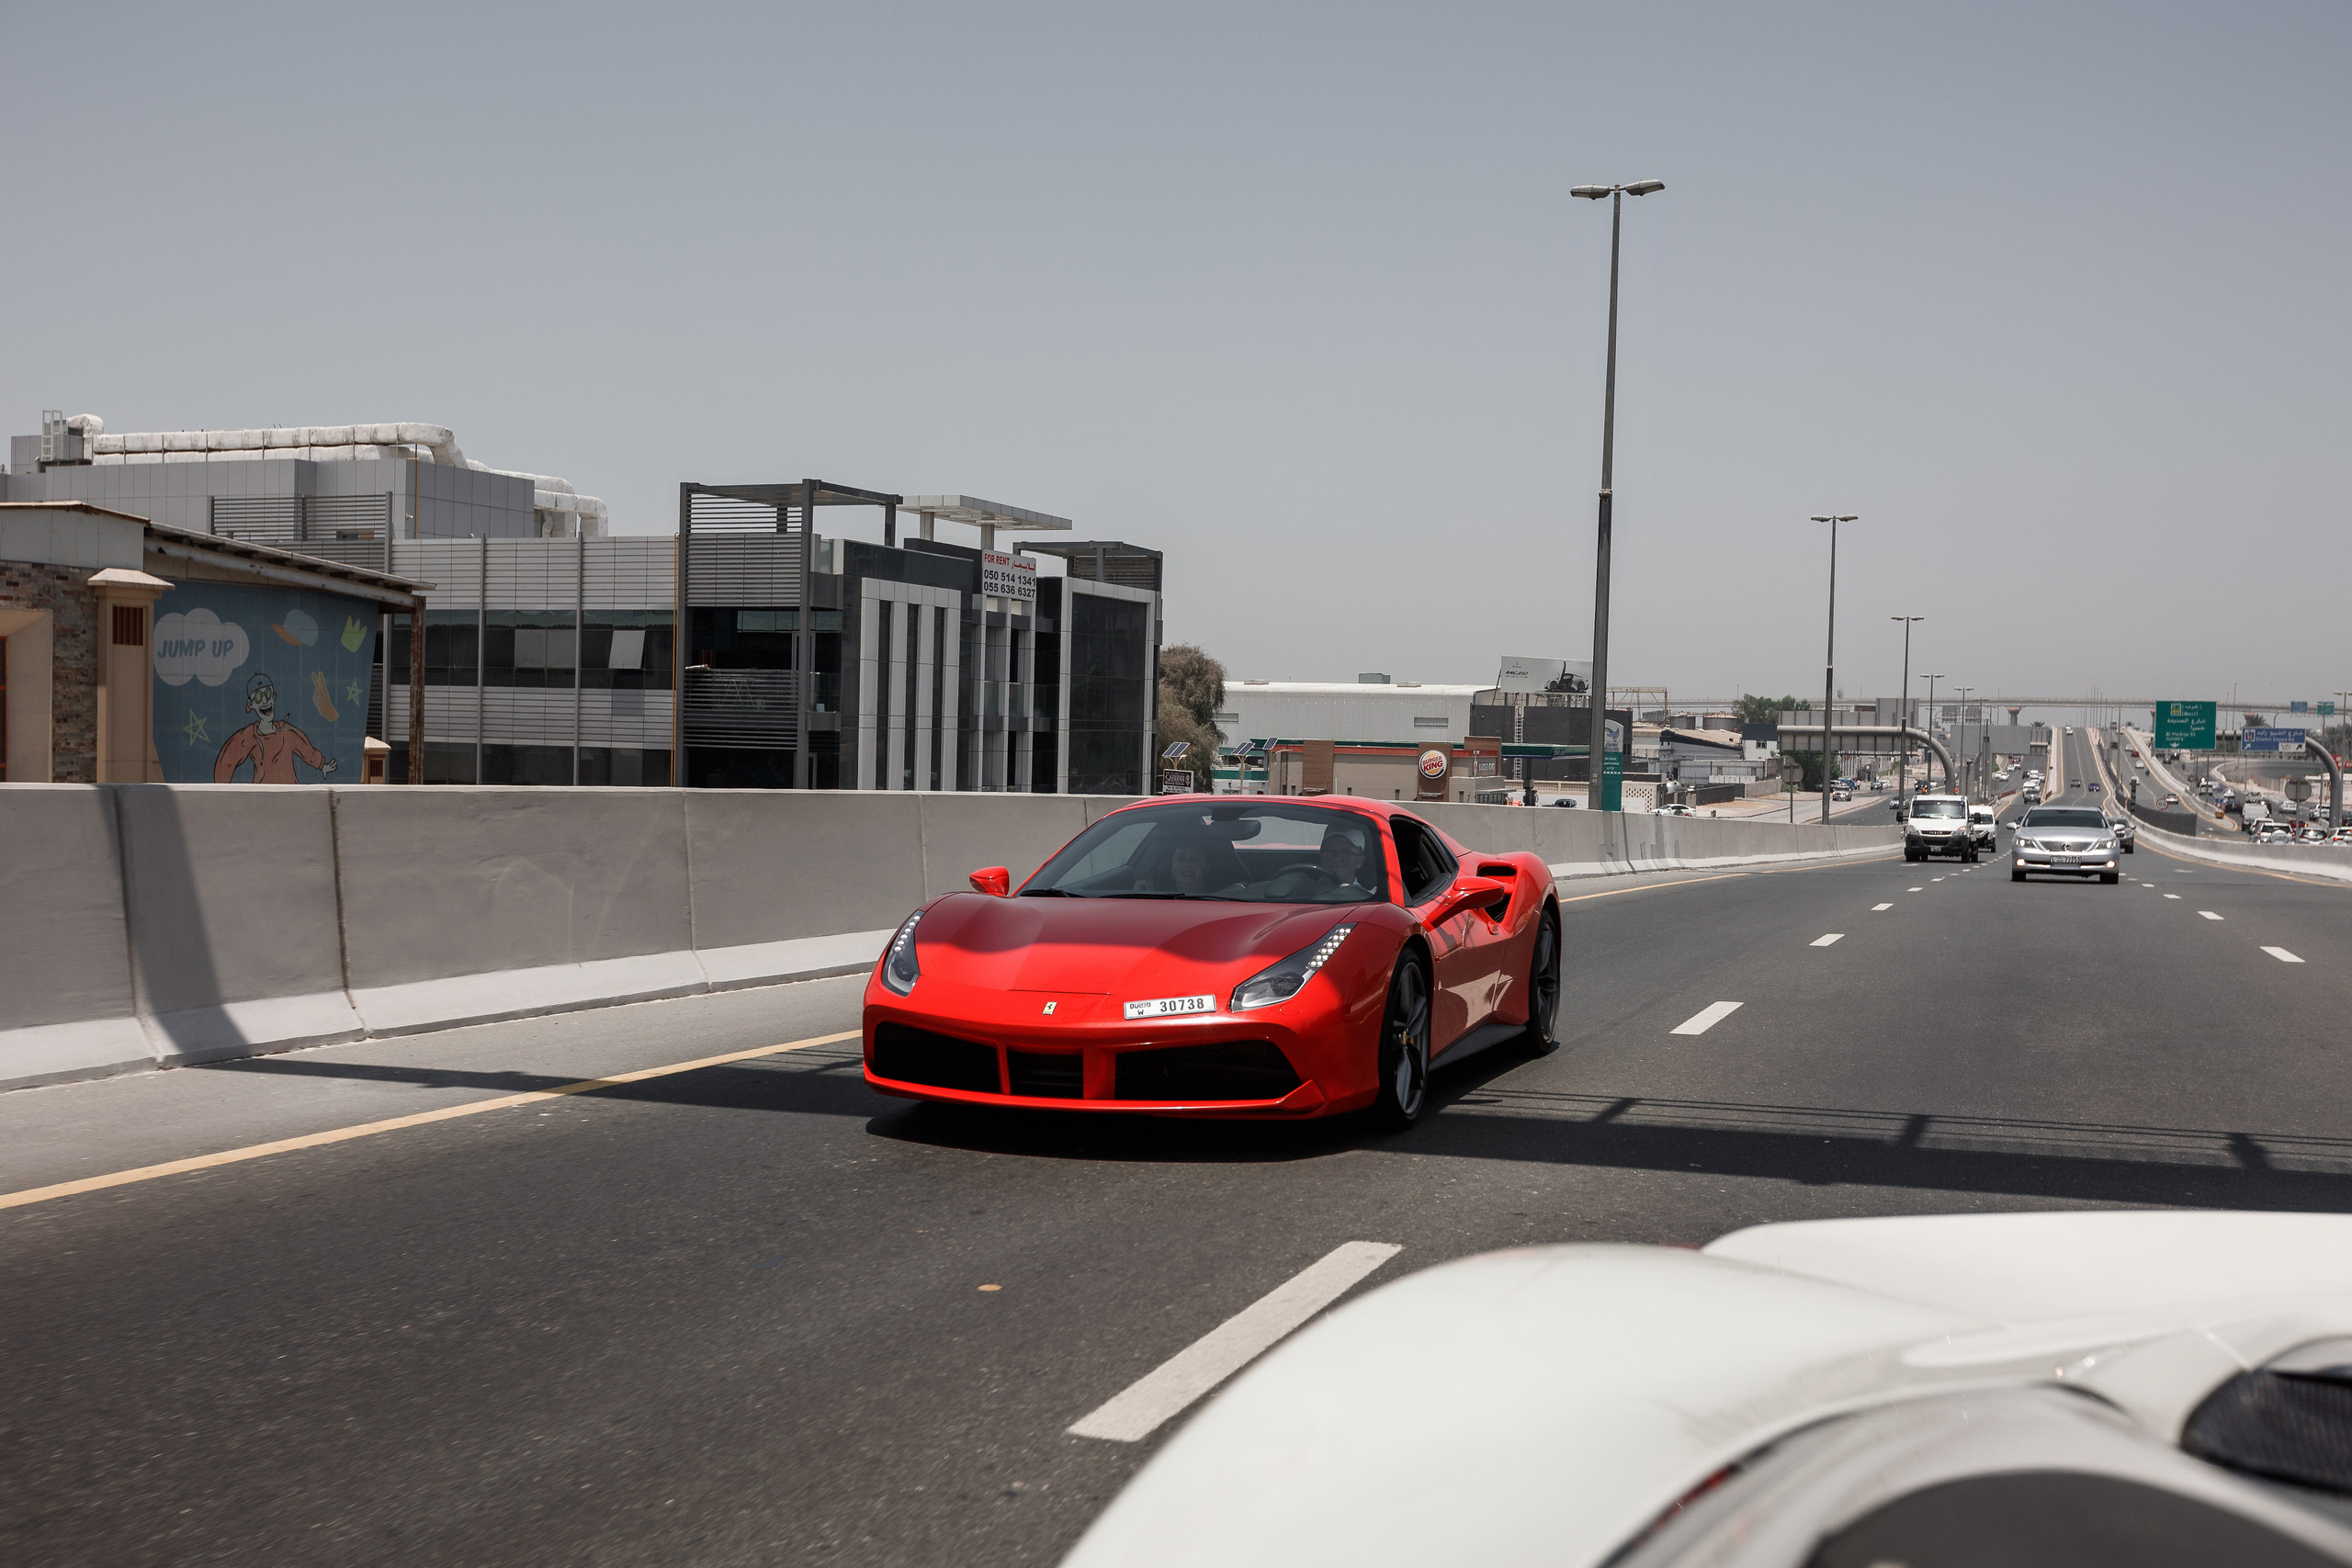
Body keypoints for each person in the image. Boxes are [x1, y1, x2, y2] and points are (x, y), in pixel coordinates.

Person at [213, 672, 337, 784]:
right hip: (262, 799)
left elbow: (305, 748)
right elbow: (228, 758)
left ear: (273, 697)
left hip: (290, 796)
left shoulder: (286, 732)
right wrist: (221, 791)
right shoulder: (250, 735)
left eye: (267, 694)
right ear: (251, 704)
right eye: (258, 697)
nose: (264, 701)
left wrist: (322, 765)